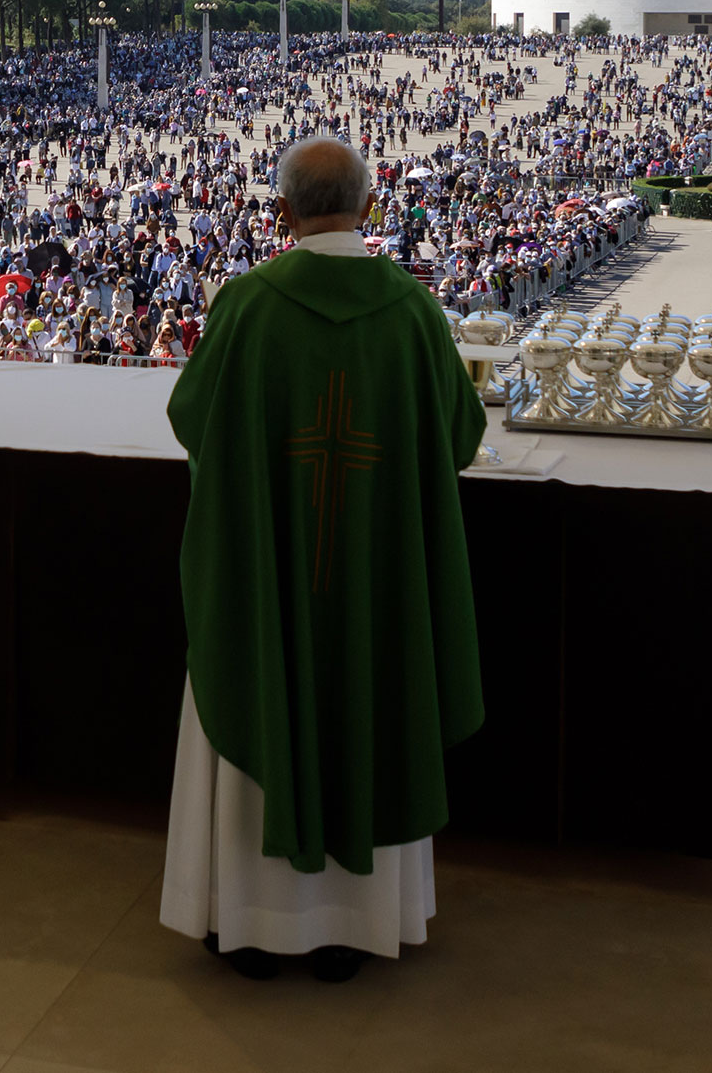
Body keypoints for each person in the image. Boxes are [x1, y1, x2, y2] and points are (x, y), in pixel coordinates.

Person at [159, 135, 483, 984]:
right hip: (375, 582)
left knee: (261, 690)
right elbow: (460, 435)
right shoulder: (411, 311)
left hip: (267, 580)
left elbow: (193, 417)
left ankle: (248, 924)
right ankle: (355, 927)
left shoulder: (247, 304)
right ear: (369, 208)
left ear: (281, 213)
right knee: (370, 697)